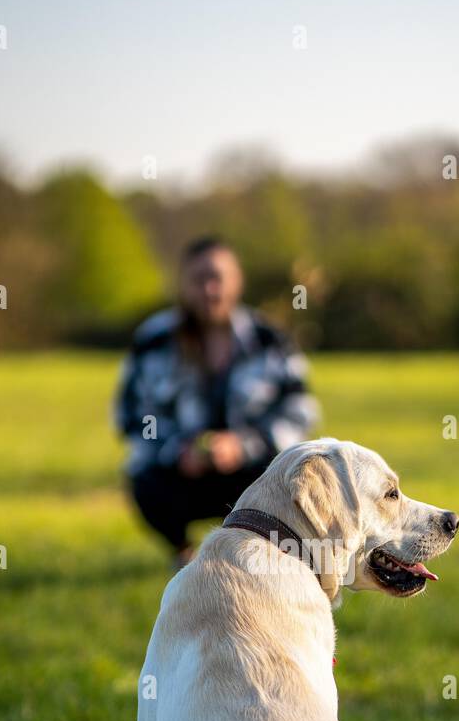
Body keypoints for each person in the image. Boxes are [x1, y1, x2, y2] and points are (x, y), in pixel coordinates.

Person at [115, 236, 318, 566]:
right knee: (141, 475)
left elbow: (299, 411)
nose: (210, 289)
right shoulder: (153, 341)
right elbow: (130, 414)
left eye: (218, 278)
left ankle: (260, 552)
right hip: (180, 473)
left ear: (237, 282)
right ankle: (183, 553)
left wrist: (243, 445)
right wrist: (177, 450)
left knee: (288, 473)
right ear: (183, 285)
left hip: (253, 473)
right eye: (199, 279)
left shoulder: (270, 339)